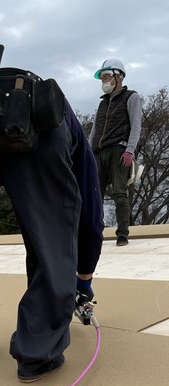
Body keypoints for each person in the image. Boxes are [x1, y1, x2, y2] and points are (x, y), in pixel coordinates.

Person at [0, 65, 104, 382]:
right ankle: (37, 353)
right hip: (39, 130)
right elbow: (89, 209)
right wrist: (83, 276)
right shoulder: (59, 113)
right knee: (51, 240)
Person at [89, 58, 143, 247]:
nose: (104, 81)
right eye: (102, 78)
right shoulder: (102, 104)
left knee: (120, 193)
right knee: (94, 194)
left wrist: (130, 150)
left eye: (106, 76)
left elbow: (136, 125)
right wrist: (88, 153)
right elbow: (94, 130)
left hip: (119, 150)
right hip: (98, 153)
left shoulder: (131, 97)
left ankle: (122, 234)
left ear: (118, 76)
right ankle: (94, 233)